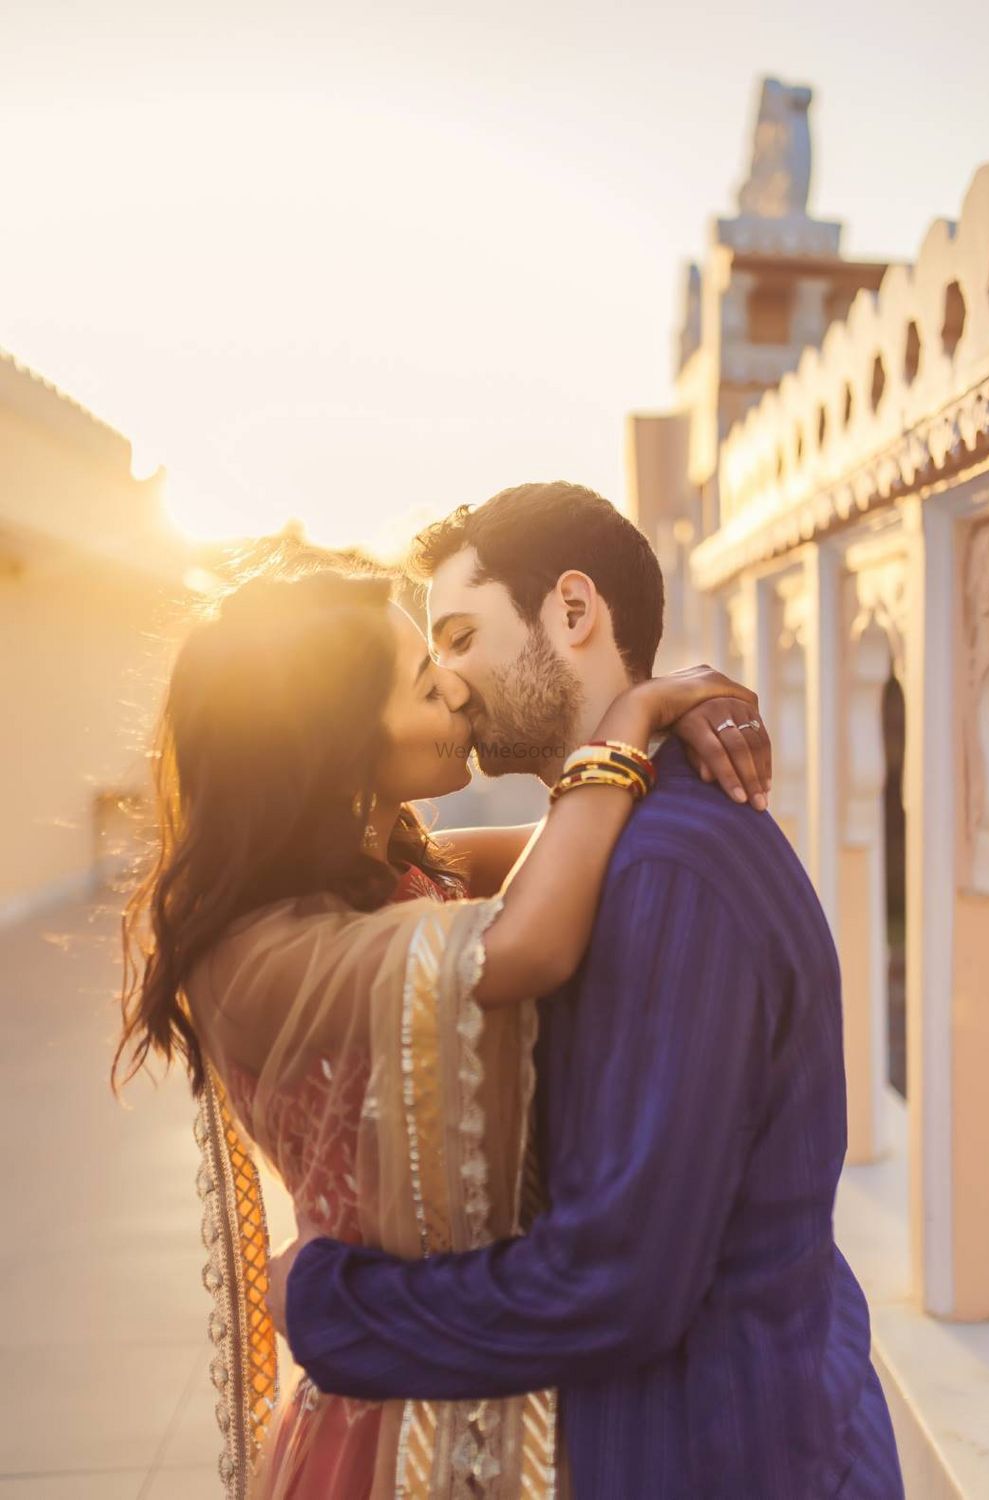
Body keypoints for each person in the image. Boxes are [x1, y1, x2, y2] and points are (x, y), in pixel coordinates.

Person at [269, 482, 904, 1498]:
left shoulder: (666, 876)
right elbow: (449, 871)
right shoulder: (619, 841)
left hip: (716, 1452)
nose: (449, 681)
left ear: (573, 611)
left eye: (462, 634)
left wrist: (330, 1304)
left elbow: (616, 1284)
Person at [113, 556, 770, 1498]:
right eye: (428, 683)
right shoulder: (264, 949)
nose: (459, 691)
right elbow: (532, 940)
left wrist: (678, 724)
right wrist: (633, 721)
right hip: (399, 1420)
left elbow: (587, 842)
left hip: (500, 1368)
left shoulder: (399, 868)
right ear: (336, 744)